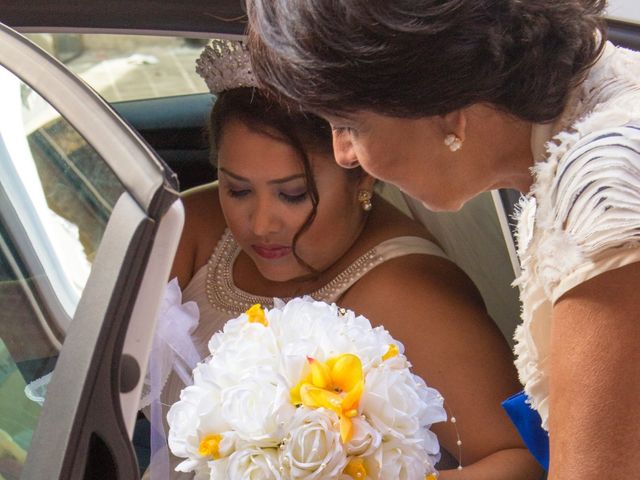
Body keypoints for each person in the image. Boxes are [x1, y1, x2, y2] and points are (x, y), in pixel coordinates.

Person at [246, 0, 640, 477]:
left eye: (349, 125)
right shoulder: (583, 120)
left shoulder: (605, 185)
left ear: (441, 103)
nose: (343, 154)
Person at [144, 40, 541, 478]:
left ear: (363, 173)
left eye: (292, 194)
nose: (259, 224)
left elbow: (522, 461)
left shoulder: (410, 294)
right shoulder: (193, 229)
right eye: (237, 190)